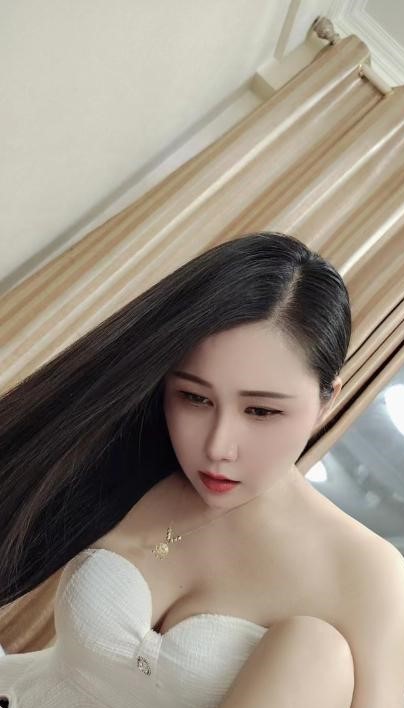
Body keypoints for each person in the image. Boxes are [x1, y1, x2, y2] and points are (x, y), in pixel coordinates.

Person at [0, 231, 357, 708]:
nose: (217, 447)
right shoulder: (135, 460)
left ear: (327, 401)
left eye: (261, 411)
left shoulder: (363, 573)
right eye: (194, 398)